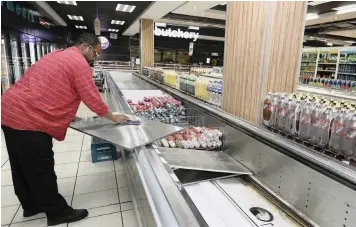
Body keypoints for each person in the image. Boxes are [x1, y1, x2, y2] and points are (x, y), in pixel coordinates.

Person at [1, 33, 129, 226]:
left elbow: (47, 87)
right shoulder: (79, 63)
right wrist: (113, 117)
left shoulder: (57, 55)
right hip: (30, 118)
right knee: (41, 167)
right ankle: (57, 212)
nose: (95, 58)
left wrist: (69, 116)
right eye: (96, 53)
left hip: (10, 110)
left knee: (21, 164)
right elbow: (91, 97)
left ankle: (31, 205)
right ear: (85, 47)